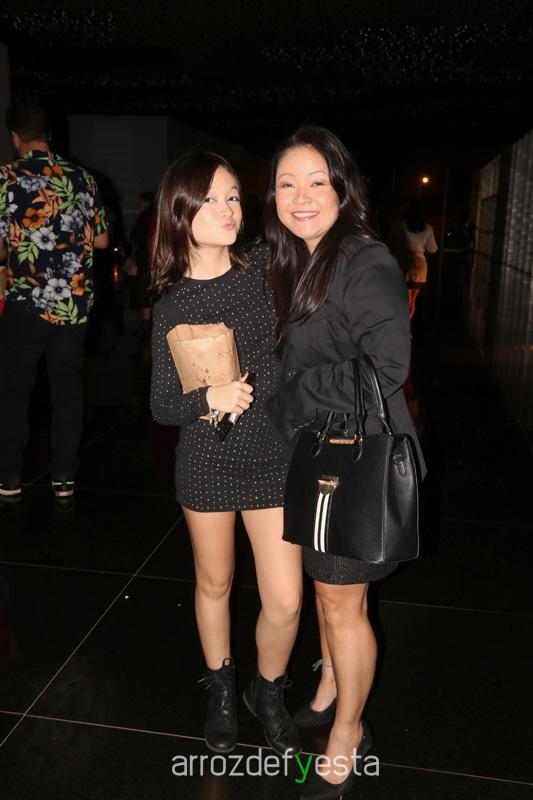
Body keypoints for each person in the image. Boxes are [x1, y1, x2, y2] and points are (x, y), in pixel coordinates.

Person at [264, 126, 425, 800]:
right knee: (330, 596)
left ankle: (348, 735)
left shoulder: (364, 260)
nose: (300, 196)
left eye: (316, 181)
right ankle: (331, 684)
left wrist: (292, 395)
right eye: (286, 183)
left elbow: (386, 368)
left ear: (342, 189)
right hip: (318, 453)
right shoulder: (296, 258)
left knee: (341, 603)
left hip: (356, 457)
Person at [149, 152, 302, 757]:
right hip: (207, 462)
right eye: (212, 198)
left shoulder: (264, 267)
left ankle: (267, 691)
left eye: (234, 195)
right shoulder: (172, 304)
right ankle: (221, 692)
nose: (229, 208)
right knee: (215, 583)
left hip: (274, 456)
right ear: (181, 211)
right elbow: (162, 404)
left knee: (285, 599)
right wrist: (207, 397)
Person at [0, 97, 109, 500]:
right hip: (72, 305)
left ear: (16, 137)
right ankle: (64, 477)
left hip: (24, 303)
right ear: (49, 135)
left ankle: (9, 477)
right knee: (67, 392)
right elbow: (102, 241)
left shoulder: (5, 178)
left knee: (15, 392)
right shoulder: (82, 178)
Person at [388, 199, 438, 319]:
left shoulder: (399, 226)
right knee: (412, 301)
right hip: (420, 266)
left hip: (404, 264)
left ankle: (403, 325)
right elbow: (433, 249)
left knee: (405, 299)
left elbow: (389, 244)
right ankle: (409, 324)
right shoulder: (427, 228)